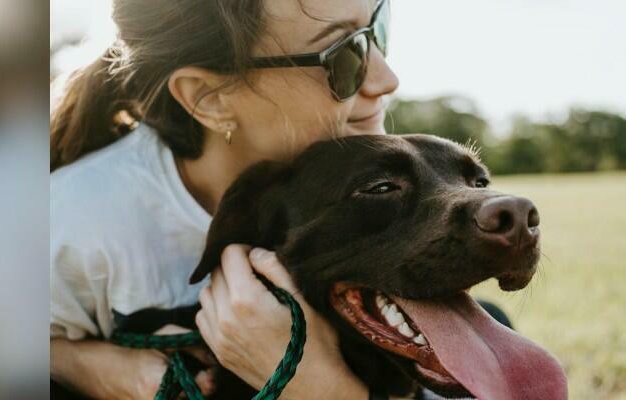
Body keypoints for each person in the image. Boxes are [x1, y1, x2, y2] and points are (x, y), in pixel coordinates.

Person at [49, 0, 400, 398]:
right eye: (345, 54)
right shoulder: (73, 221)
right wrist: (83, 366)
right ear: (208, 98)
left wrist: (316, 382)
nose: (387, 79)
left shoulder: (383, 196)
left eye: (378, 28)